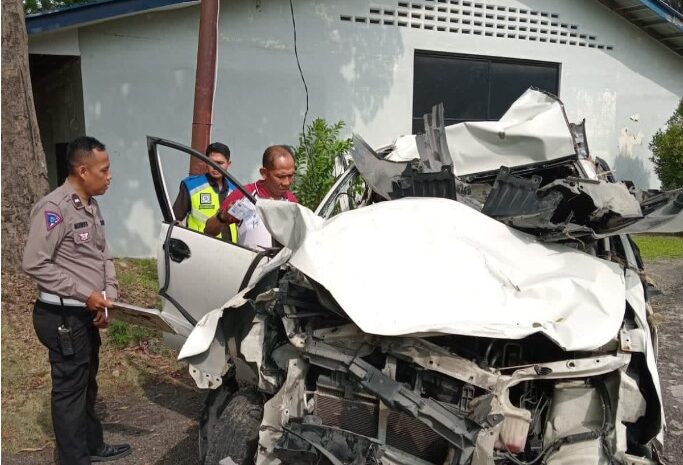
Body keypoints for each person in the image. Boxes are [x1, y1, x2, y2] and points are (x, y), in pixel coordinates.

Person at [22, 137, 132, 464]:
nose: (110, 176)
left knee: (87, 382)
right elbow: (34, 263)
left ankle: (92, 445)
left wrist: (108, 297)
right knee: (70, 390)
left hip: (86, 313)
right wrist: (87, 295)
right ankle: (73, 458)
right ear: (83, 171)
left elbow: (102, 255)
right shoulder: (54, 209)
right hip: (61, 317)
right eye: (105, 169)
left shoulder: (90, 205)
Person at [204, 145, 297, 249]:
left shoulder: (292, 201)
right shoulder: (244, 194)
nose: (287, 182)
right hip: (249, 263)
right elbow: (209, 231)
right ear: (264, 173)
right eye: (281, 176)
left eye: (291, 175)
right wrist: (223, 216)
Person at [172, 142, 238, 242]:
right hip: (199, 247)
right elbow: (174, 219)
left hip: (231, 249)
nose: (215, 167)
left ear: (229, 164)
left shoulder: (236, 189)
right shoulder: (191, 185)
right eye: (211, 163)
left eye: (220, 163)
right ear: (206, 162)